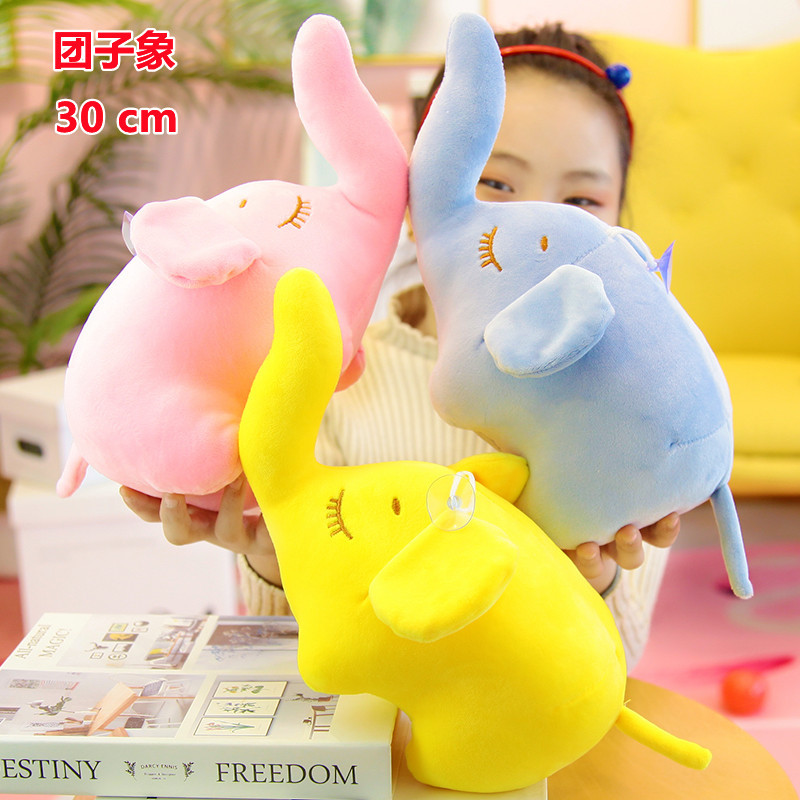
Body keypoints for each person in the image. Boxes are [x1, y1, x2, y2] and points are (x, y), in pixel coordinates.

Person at [121, 20, 680, 670]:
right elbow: (298, 658)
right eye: (496, 184)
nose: (537, 230)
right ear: (418, 197)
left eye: (581, 199)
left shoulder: (638, 404)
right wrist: (273, 556)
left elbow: (618, 668)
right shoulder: (333, 372)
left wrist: (596, 581)